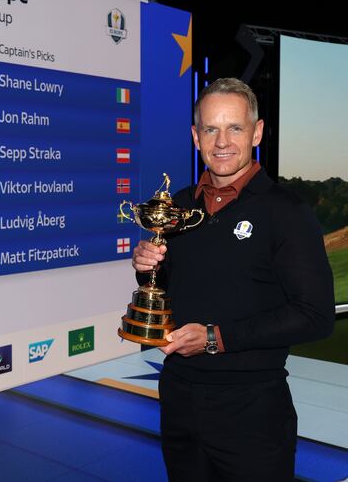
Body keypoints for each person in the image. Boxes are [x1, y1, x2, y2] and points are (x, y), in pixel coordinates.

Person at [132, 77, 334, 481]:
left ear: (256, 132)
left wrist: (214, 337)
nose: (222, 141)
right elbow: (172, 294)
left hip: (253, 410)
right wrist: (147, 270)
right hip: (179, 402)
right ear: (195, 136)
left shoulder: (287, 212)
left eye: (235, 127)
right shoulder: (178, 208)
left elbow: (316, 315)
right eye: (211, 128)